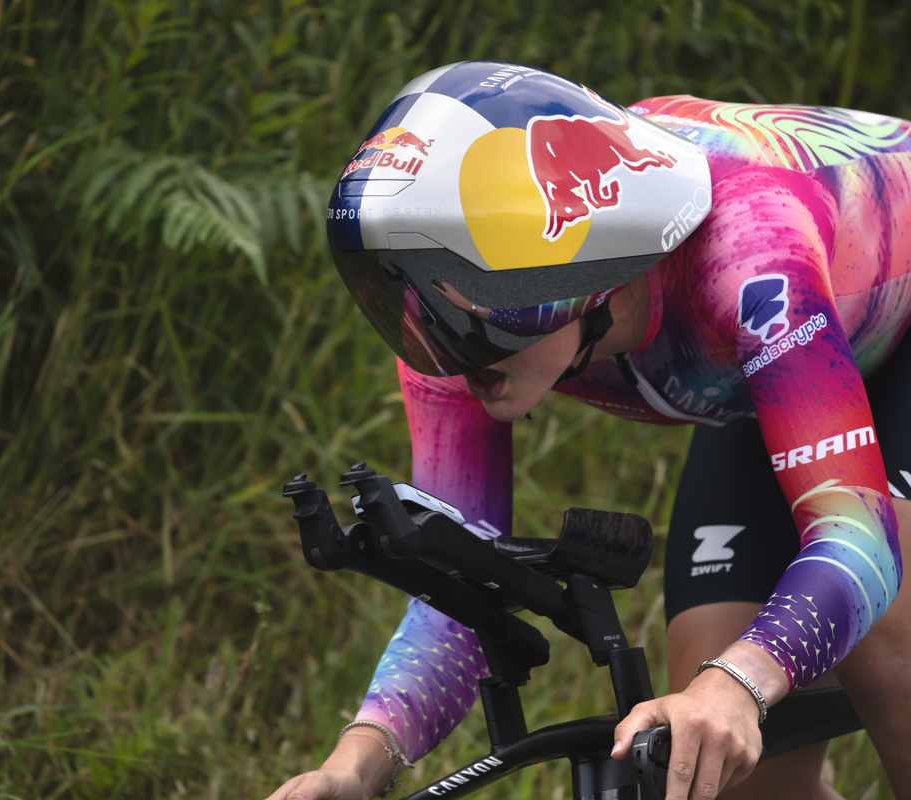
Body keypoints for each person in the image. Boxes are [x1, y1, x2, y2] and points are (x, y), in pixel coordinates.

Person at [268, 61, 911, 800]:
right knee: (707, 757)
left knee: (881, 640)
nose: (440, 349)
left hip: (864, 313)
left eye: (471, 308)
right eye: (413, 305)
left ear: (585, 272)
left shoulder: (749, 257)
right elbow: (455, 595)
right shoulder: (458, 343)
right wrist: (356, 764)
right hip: (792, 358)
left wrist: (740, 682)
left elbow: (859, 540)